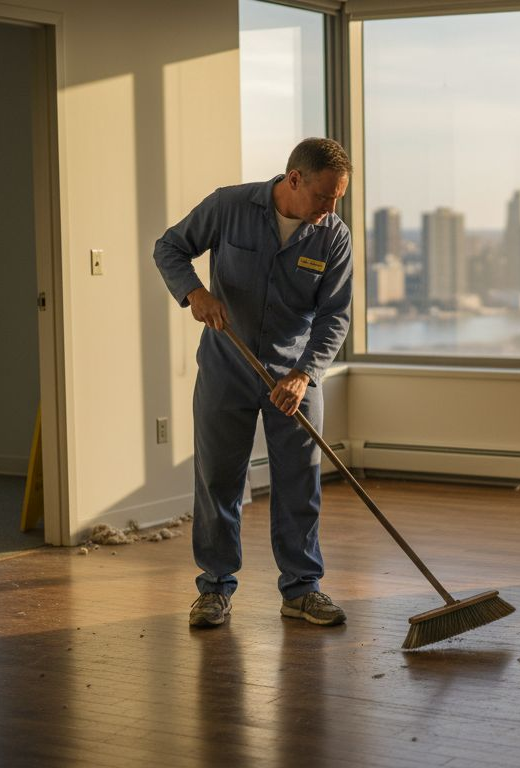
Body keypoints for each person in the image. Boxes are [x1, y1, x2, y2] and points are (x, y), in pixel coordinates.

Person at [154, 137, 353, 628]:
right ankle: (214, 588)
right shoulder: (229, 206)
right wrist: (195, 293)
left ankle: (302, 590)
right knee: (218, 480)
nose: (330, 209)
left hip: (295, 376)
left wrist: (304, 374)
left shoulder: (333, 236)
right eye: (324, 197)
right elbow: (169, 248)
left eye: (338, 199)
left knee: (300, 484)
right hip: (227, 368)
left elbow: (335, 316)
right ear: (294, 180)